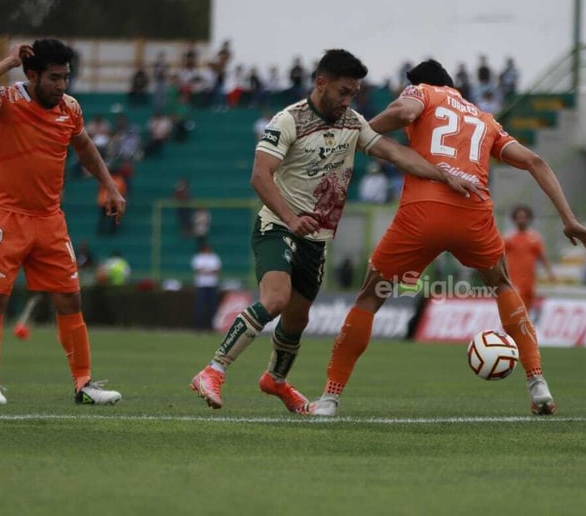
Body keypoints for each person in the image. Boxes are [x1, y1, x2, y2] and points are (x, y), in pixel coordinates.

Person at [188, 49, 481, 412]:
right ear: (321, 83)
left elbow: (393, 152)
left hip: (317, 238)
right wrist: (292, 218)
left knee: (298, 318)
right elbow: (259, 176)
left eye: (353, 93)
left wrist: (444, 174)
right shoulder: (288, 120)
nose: (348, 100)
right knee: (276, 299)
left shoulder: (353, 123)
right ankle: (214, 370)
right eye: (343, 91)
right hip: (279, 225)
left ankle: (275, 381)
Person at [304, 59, 586, 417]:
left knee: (371, 296)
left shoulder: (423, 92)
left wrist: (357, 134)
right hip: (473, 213)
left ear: (420, 82)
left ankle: (331, 397)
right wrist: (569, 219)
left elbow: (403, 110)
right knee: (501, 283)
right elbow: (535, 161)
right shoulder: (485, 118)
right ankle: (537, 382)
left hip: (423, 211)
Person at [0, 38, 125, 405]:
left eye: (66, 77)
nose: (62, 85)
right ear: (31, 74)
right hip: (5, 216)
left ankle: (83, 384)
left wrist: (109, 186)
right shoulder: (6, 100)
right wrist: (8, 61)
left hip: (49, 219)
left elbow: (84, 148)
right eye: (54, 78)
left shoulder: (71, 109)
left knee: (70, 299)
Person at [503, 204, 556, 312]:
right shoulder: (509, 237)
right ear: (514, 219)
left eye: (524, 217)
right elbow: (500, 257)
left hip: (530, 280)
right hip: (514, 280)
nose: (522, 220)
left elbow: (542, 256)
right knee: (517, 307)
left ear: (529, 219)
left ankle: (523, 327)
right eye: (519, 217)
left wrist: (549, 272)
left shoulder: (535, 237)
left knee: (527, 307)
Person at [192, 243, 222, 332]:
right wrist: (209, 271)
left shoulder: (214, 257)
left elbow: (217, 270)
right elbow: (197, 270)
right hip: (201, 285)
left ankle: (211, 327)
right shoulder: (198, 257)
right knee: (200, 307)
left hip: (212, 285)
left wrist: (204, 270)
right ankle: (198, 327)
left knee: (212, 307)